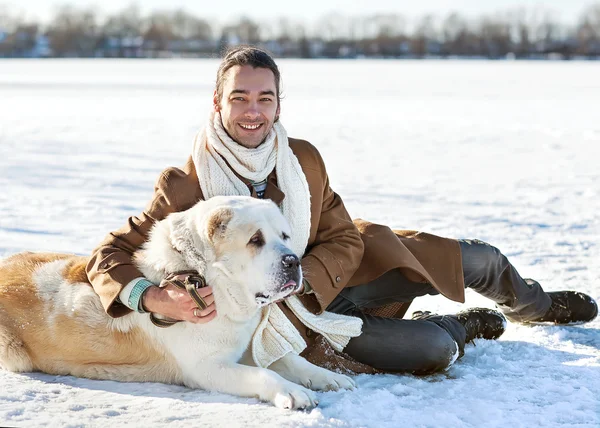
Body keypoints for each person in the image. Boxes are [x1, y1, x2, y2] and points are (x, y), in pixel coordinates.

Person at [86, 45, 597, 375]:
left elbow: (346, 238)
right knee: (433, 351)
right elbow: (108, 256)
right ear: (217, 104)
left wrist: (298, 274)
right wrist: (152, 296)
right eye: (239, 97)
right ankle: (467, 325)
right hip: (293, 321)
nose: (253, 111)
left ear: (278, 105)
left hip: (338, 275)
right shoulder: (185, 188)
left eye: (265, 98)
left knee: (482, 258)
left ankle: (535, 306)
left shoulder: (301, 160)